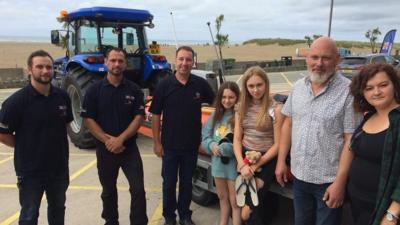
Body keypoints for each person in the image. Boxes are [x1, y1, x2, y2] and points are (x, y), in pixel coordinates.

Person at [275, 36, 359, 225]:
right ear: (307, 59)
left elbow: (350, 140)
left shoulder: (348, 91)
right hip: (299, 177)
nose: (319, 64)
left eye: (326, 58)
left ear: (337, 60)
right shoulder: (297, 88)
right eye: (314, 57)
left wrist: (340, 183)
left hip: (328, 181)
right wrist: (281, 161)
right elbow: (288, 124)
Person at [0, 50, 73, 225]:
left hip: (59, 169)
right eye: (39, 67)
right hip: (30, 172)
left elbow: (65, 125)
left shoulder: (62, 97)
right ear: (29, 70)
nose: (45, 71)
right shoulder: (15, 102)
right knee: (29, 215)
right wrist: (26, 145)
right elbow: (3, 134)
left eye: (48, 67)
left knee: (58, 211)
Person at [81, 47, 148, 225]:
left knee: (138, 189)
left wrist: (121, 139)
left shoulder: (134, 90)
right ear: (106, 62)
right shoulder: (94, 90)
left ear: (125, 64)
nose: (116, 64)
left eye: (120, 61)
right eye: (113, 60)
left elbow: (139, 117)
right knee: (108, 190)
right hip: (105, 150)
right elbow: (88, 119)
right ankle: (111, 221)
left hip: (129, 149)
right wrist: (108, 141)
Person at [150, 45, 215, 225]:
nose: (184, 63)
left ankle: (185, 215)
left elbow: (217, 102)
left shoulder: (200, 84)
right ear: (175, 61)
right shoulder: (164, 85)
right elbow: (155, 114)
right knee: (169, 184)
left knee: (186, 183)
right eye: (181, 59)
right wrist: (156, 142)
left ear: (193, 62)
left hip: (191, 147)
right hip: (169, 146)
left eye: (188, 59)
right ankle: (169, 217)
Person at [348, 63, 400, 225]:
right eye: (369, 88)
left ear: (395, 86)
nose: (376, 92)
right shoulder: (369, 116)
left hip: (383, 208)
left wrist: (393, 213)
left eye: (383, 85)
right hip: (358, 202)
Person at [233, 66, 283, 224]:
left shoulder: (275, 109)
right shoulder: (241, 108)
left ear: (266, 84)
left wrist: (256, 166)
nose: (255, 90)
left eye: (259, 85)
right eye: (251, 86)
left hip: (266, 158)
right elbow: (236, 139)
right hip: (245, 157)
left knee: (248, 211)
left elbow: (278, 144)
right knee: (254, 208)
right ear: (246, 87)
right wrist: (242, 164)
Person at [201, 81, 241, 225]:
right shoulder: (215, 116)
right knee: (222, 199)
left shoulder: (238, 117)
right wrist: (211, 145)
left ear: (237, 98)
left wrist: (227, 149)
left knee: (235, 202)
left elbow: (242, 142)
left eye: (231, 97)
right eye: (224, 97)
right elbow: (204, 137)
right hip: (218, 166)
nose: (227, 101)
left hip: (233, 167)